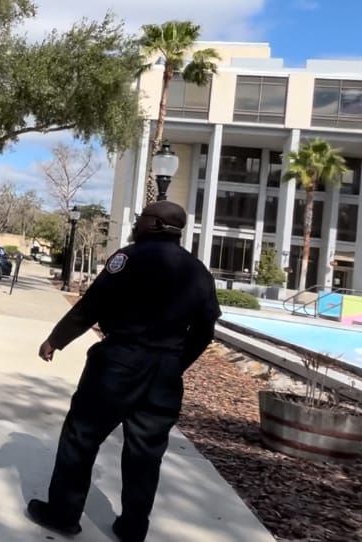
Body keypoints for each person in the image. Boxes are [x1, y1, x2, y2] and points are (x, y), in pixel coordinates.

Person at [26, 200, 221, 542]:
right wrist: (176, 362)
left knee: (81, 437)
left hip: (119, 363)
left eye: (141, 218)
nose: (136, 222)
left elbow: (91, 306)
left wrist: (55, 340)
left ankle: (63, 515)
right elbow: (206, 330)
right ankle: (133, 528)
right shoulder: (199, 271)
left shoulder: (127, 258)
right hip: (164, 375)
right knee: (146, 454)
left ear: (157, 225)